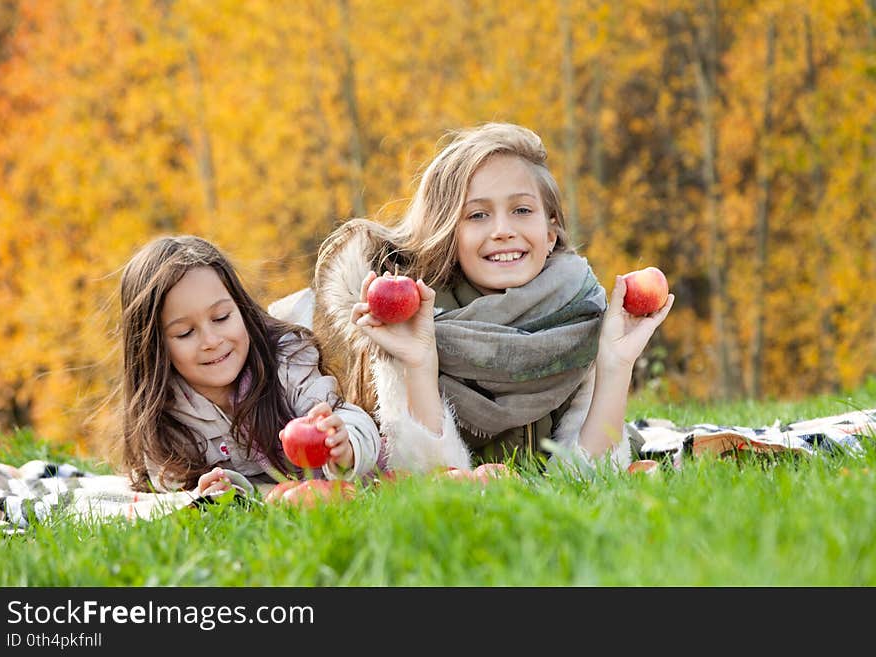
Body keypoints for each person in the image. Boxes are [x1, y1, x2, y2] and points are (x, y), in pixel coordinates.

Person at [278, 122, 673, 476]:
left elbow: (592, 477)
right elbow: (430, 479)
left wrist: (616, 364)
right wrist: (418, 360)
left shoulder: (577, 315)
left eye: (521, 209)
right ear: (450, 233)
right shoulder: (406, 317)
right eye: (477, 215)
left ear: (550, 231)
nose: (502, 230)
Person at [118, 235, 382, 497]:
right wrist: (215, 491)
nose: (211, 341)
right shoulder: (166, 415)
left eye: (221, 317)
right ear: (155, 348)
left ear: (241, 309)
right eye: (186, 333)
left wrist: (345, 443)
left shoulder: (287, 363)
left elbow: (350, 417)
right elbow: (170, 486)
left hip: (335, 489)